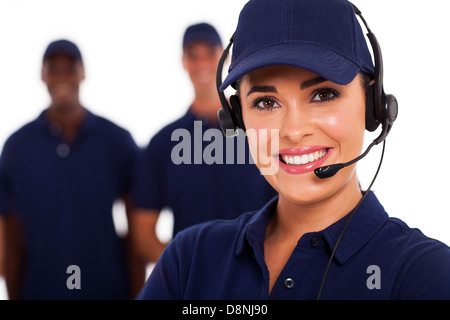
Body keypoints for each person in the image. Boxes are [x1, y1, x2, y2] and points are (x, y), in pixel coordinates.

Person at [137, 0, 450, 300]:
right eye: (266, 102)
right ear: (238, 118)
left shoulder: (425, 274)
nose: (293, 130)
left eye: (323, 94)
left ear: (373, 107)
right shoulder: (188, 260)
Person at [0, 39, 145, 299]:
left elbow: (135, 232)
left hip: (107, 290)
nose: (62, 75)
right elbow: (11, 237)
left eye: (69, 67)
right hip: (40, 291)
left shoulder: (116, 140)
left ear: (83, 72)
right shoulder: (17, 147)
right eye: (53, 68)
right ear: (43, 75)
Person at [130, 22, 276, 264]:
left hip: (258, 283)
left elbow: (294, 216)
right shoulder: (162, 144)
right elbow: (143, 235)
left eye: (209, 53)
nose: (202, 64)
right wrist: (185, 270)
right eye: (192, 56)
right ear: (184, 62)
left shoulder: (261, 132)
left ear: (226, 57)